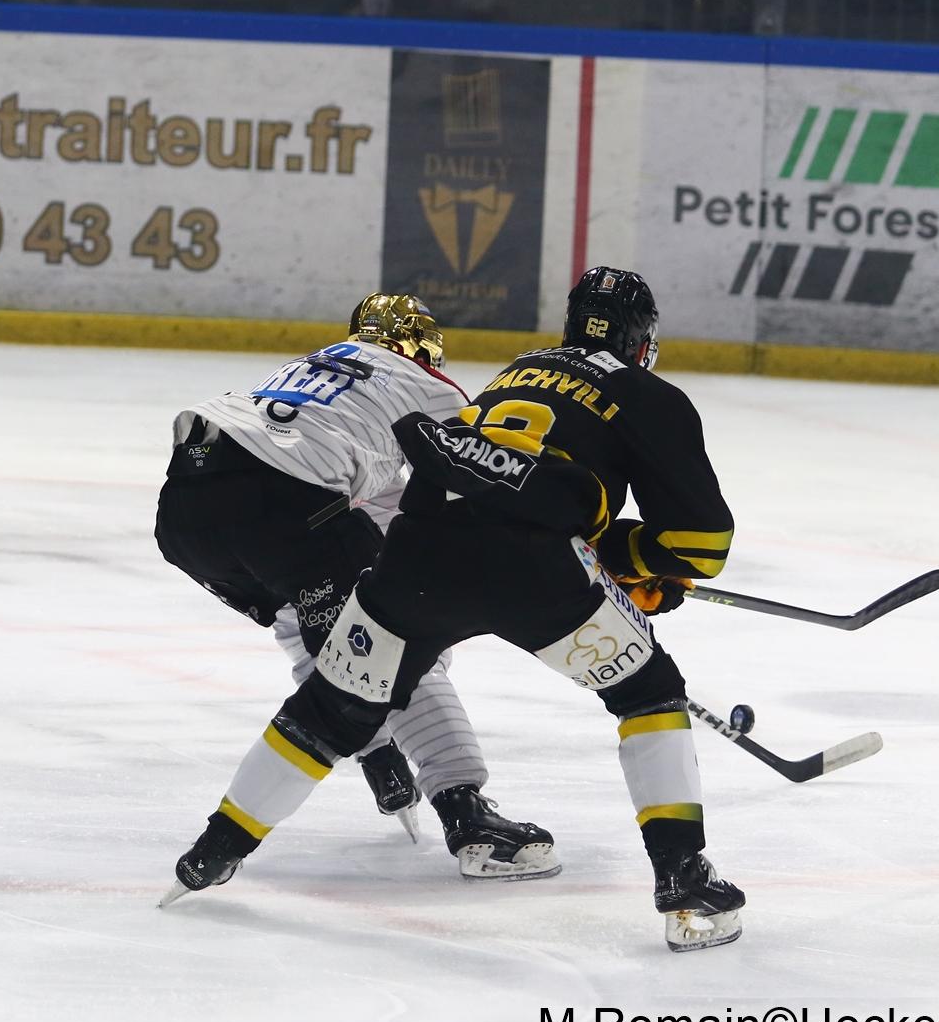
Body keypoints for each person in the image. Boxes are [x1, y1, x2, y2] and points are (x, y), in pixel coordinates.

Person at [162, 267, 745, 953]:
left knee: (329, 709)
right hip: (535, 567)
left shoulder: (515, 373)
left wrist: (606, 555)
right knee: (648, 692)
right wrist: (639, 563)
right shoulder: (649, 395)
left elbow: (475, 480)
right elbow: (701, 545)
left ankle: (214, 850)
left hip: (417, 552)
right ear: (642, 339)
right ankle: (683, 881)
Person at [153, 293, 560, 880]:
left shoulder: (317, 368)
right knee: (395, 638)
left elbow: (383, 519)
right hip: (284, 500)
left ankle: (378, 755)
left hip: (187, 512)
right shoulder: (433, 389)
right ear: (423, 347)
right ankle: (466, 813)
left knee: (311, 614)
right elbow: (484, 498)